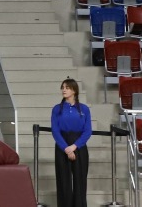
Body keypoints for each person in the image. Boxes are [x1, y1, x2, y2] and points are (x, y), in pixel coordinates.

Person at [49, 78, 91, 207]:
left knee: (80, 181)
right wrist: (66, 148)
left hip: (79, 146)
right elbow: (55, 131)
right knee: (63, 181)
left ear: (74, 90)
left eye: (67, 87)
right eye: (62, 87)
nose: (64, 90)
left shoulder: (84, 109)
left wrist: (74, 146)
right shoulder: (57, 109)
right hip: (62, 146)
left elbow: (87, 131)